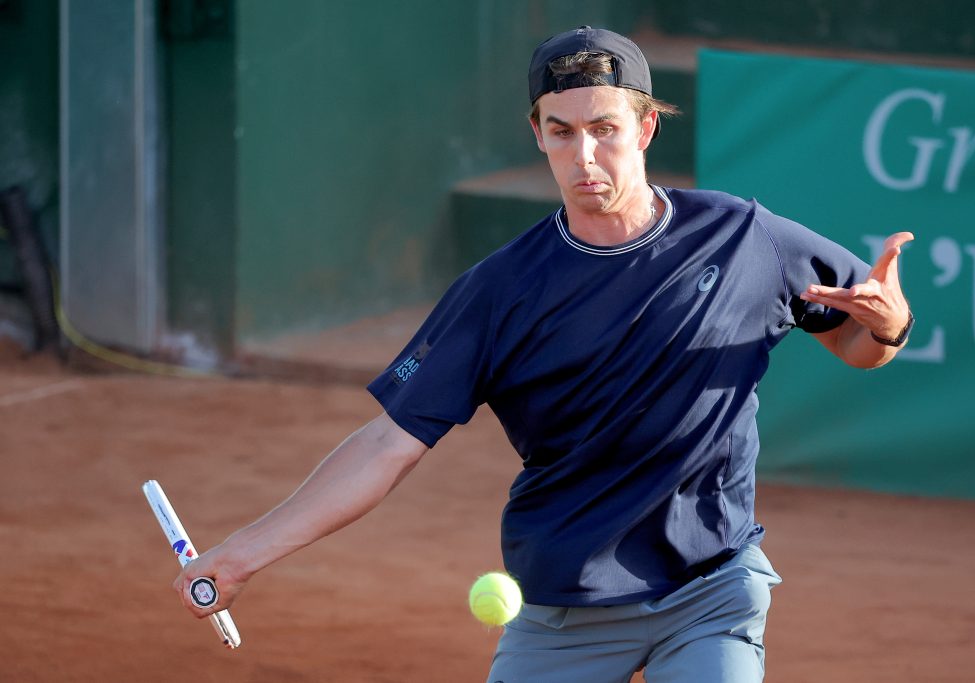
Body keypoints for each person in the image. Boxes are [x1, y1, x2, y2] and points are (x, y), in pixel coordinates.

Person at [175, 26, 914, 682]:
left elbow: (859, 344)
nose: (584, 155)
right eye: (561, 132)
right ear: (537, 134)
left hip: (711, 588)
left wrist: (886, 325)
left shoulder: (745, 238)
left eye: (604, 129)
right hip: (565, 603)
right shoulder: (498, 292)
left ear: (647, 126)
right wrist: (240, 553)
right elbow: (384, 447)